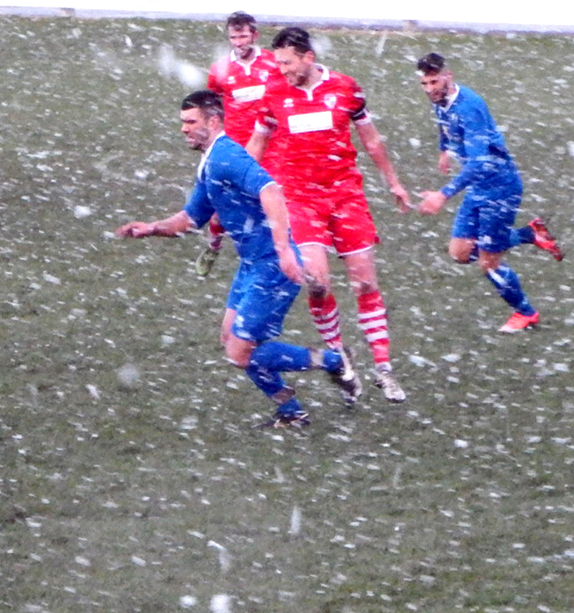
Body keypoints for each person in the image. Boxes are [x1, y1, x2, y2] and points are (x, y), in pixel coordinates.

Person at [116, 90, 362, 428]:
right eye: (182, 123)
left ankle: (333, 363)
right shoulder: (210, 162)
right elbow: (189, 219)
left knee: (239, 353)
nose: (184, 129)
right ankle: (292, 411)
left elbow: (271, 191)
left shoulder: (227, 156)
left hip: (272, 265)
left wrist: (284, 250)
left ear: (213, 121)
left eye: (191, 122)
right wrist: (151, 228)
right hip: (252, 265)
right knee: (229, 340)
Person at [246, 26, 410, 403]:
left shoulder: (346, 88)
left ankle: (384, 368)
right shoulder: (273, 94)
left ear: (308, 57)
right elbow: (257, 142)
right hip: (300, 199)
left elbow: (370, 138)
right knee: (317, 281)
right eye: (278, 63)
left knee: (365, 281)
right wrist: (237, 184)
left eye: (287, 63)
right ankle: (341, 357)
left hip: (345, 195)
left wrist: (393, 182)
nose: (282, 70)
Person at [415, 52, 563, 333]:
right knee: (459, 252)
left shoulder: (469, 107)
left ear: (448, 76)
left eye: (434, 81)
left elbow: (480, 163)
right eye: (424, 84)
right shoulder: (440, 101)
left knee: (488, 262)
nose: (430, 89)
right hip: (479, 187)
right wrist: (443, 149)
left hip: (499, 188)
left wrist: (443, 194)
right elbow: (444, 125)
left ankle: (526, 312)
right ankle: (530, 234)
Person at [197, 11, 283, 278]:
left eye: (243, 35)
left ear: (254, 35)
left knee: (277, 198)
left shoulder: (273, 63)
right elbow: (212, 105)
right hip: (236, 147)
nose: (238, 41)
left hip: (272, 144)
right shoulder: (220, 70)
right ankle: (213, 246)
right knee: (223, 202)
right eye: (233, 37)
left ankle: (280, 250)